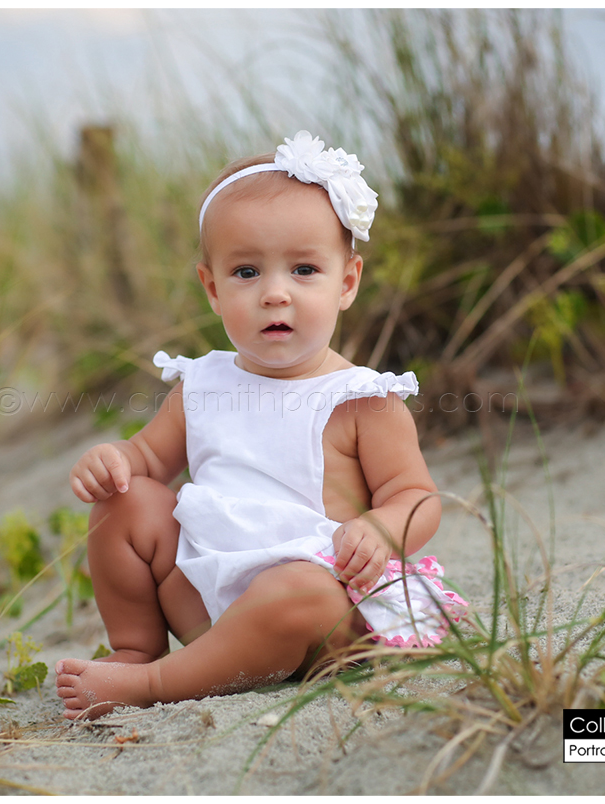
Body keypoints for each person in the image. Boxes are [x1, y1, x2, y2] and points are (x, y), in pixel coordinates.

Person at [55, 131, 466, 720]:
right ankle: (137, 648)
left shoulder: (362, 400)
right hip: (210, 599)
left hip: (320, 610)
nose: (275, 294)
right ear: (212, 288)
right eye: (246, 272)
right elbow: (146, 460)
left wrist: (379, 530)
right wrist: (115, 459)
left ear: (346, 283)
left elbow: (416, 497)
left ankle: (153, 684)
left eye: (304, 269)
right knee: (125, 502)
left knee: (295, 590)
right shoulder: (202, 384)